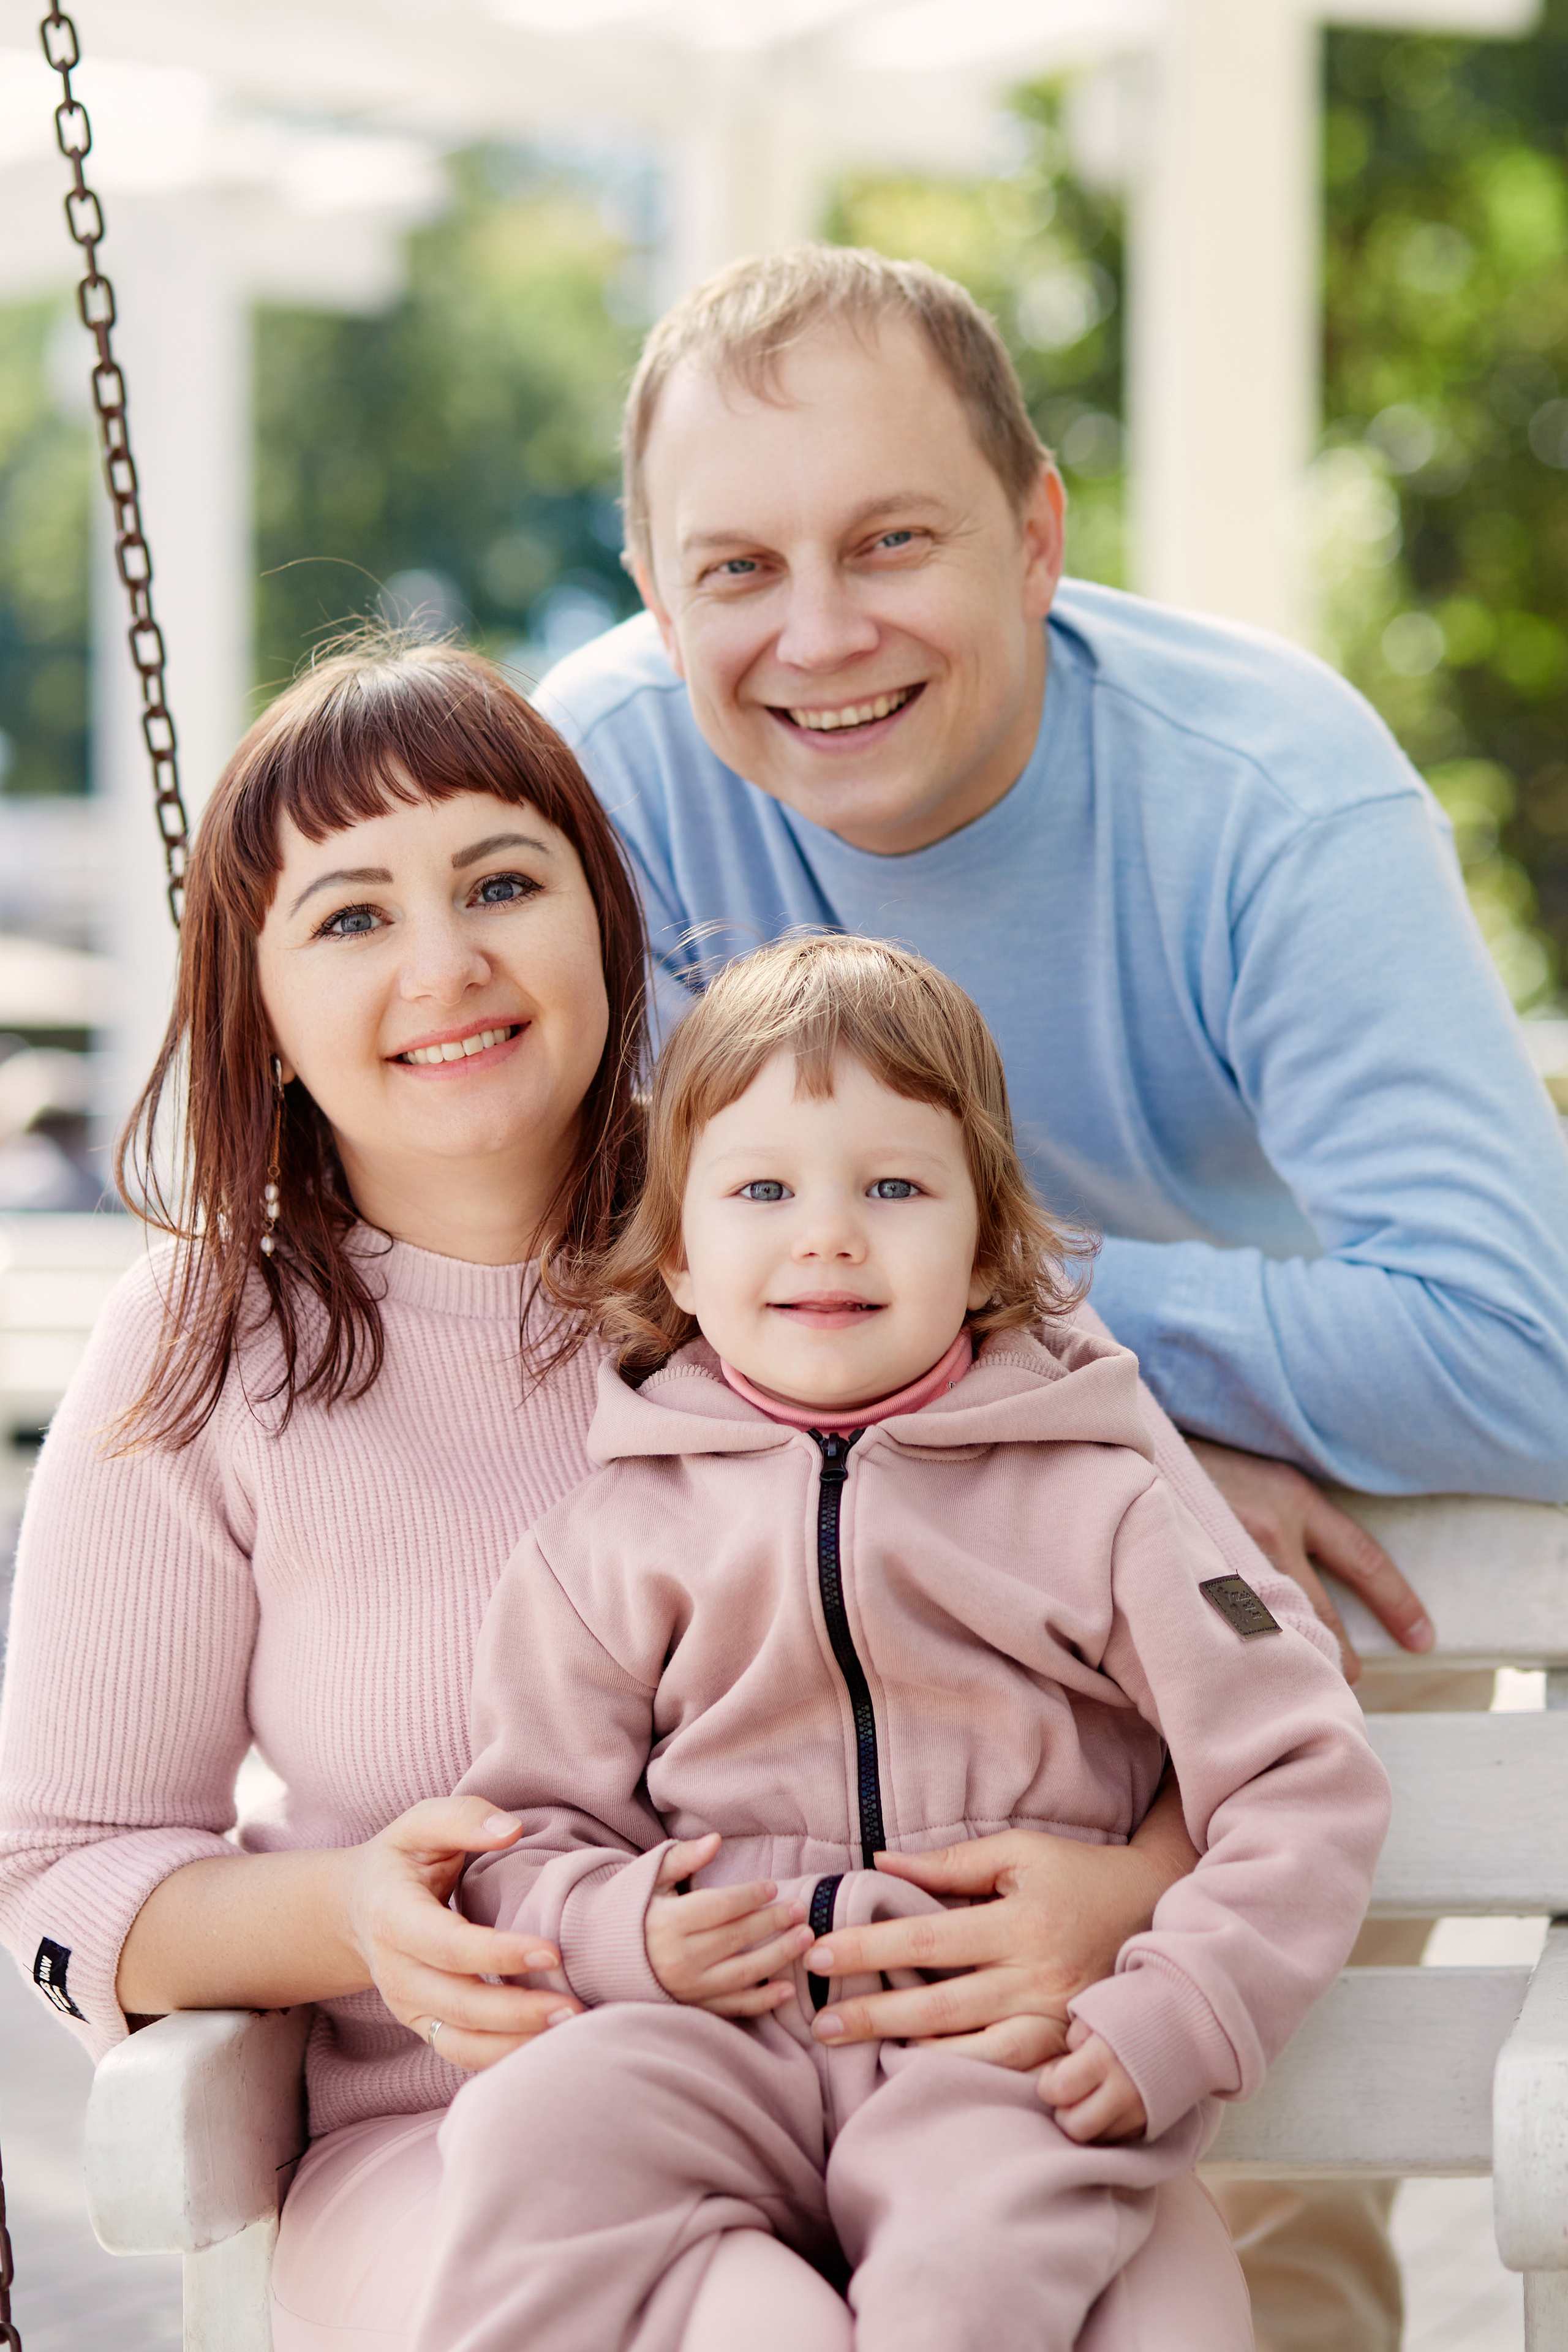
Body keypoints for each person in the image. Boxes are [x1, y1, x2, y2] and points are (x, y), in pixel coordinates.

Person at [0, 638, 1291, 2351]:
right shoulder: (209, 1344)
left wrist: (1125, 1895)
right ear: (266, 1018)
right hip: (488, 2133)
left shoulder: (819, 1221)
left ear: (604, 926)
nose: (445, 965)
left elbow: (1231, 1684)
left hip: (983, 2110)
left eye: (500, 883)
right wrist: (361, 1916)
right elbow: (65, 1874)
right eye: (352, 918)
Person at [533, 243, 1568, 2349]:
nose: (818, 635)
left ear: (1034, 533)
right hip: (810, 1607)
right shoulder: (604, 780)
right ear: (651, 584)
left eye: (892, 541)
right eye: (734, 569)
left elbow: (1524, 1350)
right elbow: (568, 1266)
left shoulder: (1270, 793)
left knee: (1251, 2222)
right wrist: (1064, 1390)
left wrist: (1072, 1387)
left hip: (1255, 1570)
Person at [411, 935, 1388, 2352]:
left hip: (992, 2038)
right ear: (678, 1252)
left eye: (893, 1187)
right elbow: (522, 1836)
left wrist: (1177, 2009)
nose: (826, 1235)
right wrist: (624, 1933)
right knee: (531, 2131)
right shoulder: (606, 1541)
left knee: (967, 2271)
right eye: (761, 1191)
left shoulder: (1103, 1502)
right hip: (714, 2033)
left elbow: (1300, 1770)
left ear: (985, 1246)